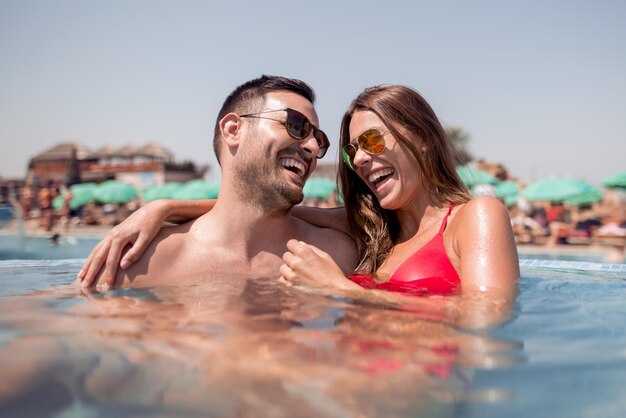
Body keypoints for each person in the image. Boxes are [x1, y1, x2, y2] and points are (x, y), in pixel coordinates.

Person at [80, 84, 518, 301]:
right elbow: (252, 208)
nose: (361, 160)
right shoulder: (374, 231)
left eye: (373, 142)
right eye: (351, 152)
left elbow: (490, 320)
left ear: (422, 137)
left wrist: (350, 294)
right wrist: (164, 206)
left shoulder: (475, 215)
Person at [77, 75, 357, 289]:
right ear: (233, 130)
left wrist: (166, 207)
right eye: (297, 126)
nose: (310, 146)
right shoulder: (141, 261)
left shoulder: (339, 257)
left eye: (318, 140)